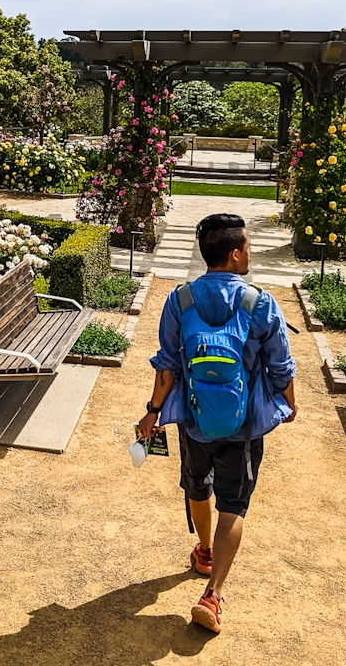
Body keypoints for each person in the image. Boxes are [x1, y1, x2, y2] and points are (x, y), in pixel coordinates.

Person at [136, 212, 297, 635]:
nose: (250, 253)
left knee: (197, 485)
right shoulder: (260, 303)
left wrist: (153, 411)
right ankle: (213, 593)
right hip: (243, 428)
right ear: (233, 253)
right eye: (247, 247)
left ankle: (204, 550)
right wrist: (290, 403)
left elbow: (167, 366)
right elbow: (280, 366)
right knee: (234, 504)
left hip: (193, 421)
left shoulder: (180, 299)